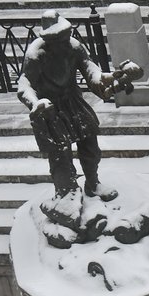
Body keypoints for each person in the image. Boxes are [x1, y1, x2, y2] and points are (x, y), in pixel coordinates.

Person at [17, 10, 118, 202]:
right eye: (58, 39)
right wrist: (35, 102)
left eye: (65, 36)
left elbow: (89, 67)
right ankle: (67, 194)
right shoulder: (36, 54)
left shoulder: (73, 46)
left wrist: (103, 79)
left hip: (74, 102)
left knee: (90, 147)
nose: (63, 41)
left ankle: (93, 183)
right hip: (51, 110)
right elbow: (24, 84)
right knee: (60, 156)